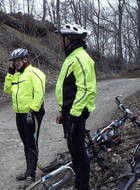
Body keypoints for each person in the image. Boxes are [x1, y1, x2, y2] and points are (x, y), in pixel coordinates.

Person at [54, 23, 96, 190]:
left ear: (69, 39)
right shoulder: (72, 57)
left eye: (62, 38)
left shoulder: (81, 58)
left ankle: (83, 186)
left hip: (76, 112)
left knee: (78, 150)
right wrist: (62, 111)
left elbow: (85, 89)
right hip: (70, 111)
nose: (60, 41)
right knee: (73, 149)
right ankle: (79, 183)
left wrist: (73, 115)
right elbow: (68, 87)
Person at [4, 48, 46, 188]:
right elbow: (7, 90)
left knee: (31, 142)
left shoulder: (35, 73)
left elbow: (39, 94)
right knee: (25, 142)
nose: (15, 63)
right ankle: (28, 170)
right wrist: (10, 74)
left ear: (25, 60)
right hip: (19, 113)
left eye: (17, 61)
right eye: (13, 61)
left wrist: (32, 110)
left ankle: (31, 174)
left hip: (32, 113)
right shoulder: (16, 75)